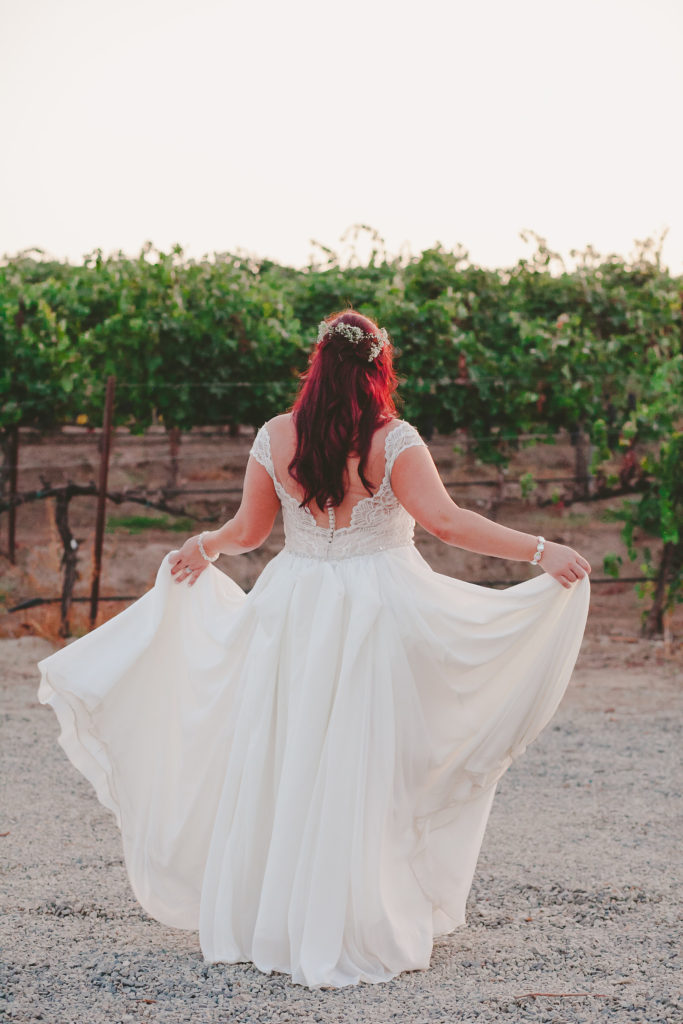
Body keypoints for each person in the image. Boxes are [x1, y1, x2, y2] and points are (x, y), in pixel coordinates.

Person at [37, 309, 591, 990]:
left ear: (316, 365)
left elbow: (246, 530)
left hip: (293, 604)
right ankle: (351, 916)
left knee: (287, 753)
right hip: (376, 607)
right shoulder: (393, 440)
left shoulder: (276, 437)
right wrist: (540, 549)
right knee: (363, 758)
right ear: (377, 368)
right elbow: (446, 522)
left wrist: (203, 546)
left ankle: (271, 920)